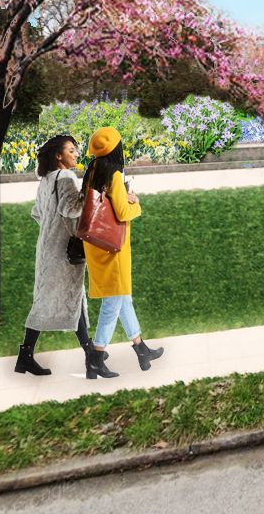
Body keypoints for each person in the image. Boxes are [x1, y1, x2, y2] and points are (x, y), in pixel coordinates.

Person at [18, 135, 105, 377]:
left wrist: (52, 230)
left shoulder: (45, 180)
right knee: (64, 298)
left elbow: (37, 214)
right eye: (71, 150)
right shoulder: (66, 176)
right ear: (59, 156)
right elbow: (71, 208)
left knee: (66, 299)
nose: (76, 154)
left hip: (47, 247)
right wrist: (89, 191)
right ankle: (88, 356)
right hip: (65, 250)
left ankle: (89, 353)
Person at [82, 126, 164, 375]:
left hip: (97, 245)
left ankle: (141, 350)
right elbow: (123, 211)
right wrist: (135, 202)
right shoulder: (114, 175)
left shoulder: (93, 170)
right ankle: (95, 358)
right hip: (114, 249)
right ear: (117, 148)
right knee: (113, 302)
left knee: (122, 297)